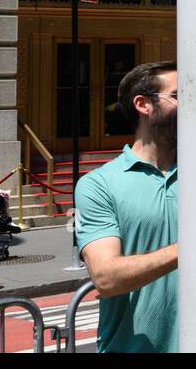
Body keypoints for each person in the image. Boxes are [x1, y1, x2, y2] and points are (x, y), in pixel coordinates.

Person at [75, 61, 178, 353]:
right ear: (143, 104)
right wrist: (188, 249)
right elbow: (106, 277)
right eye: (179, 95)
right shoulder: (98, 185)